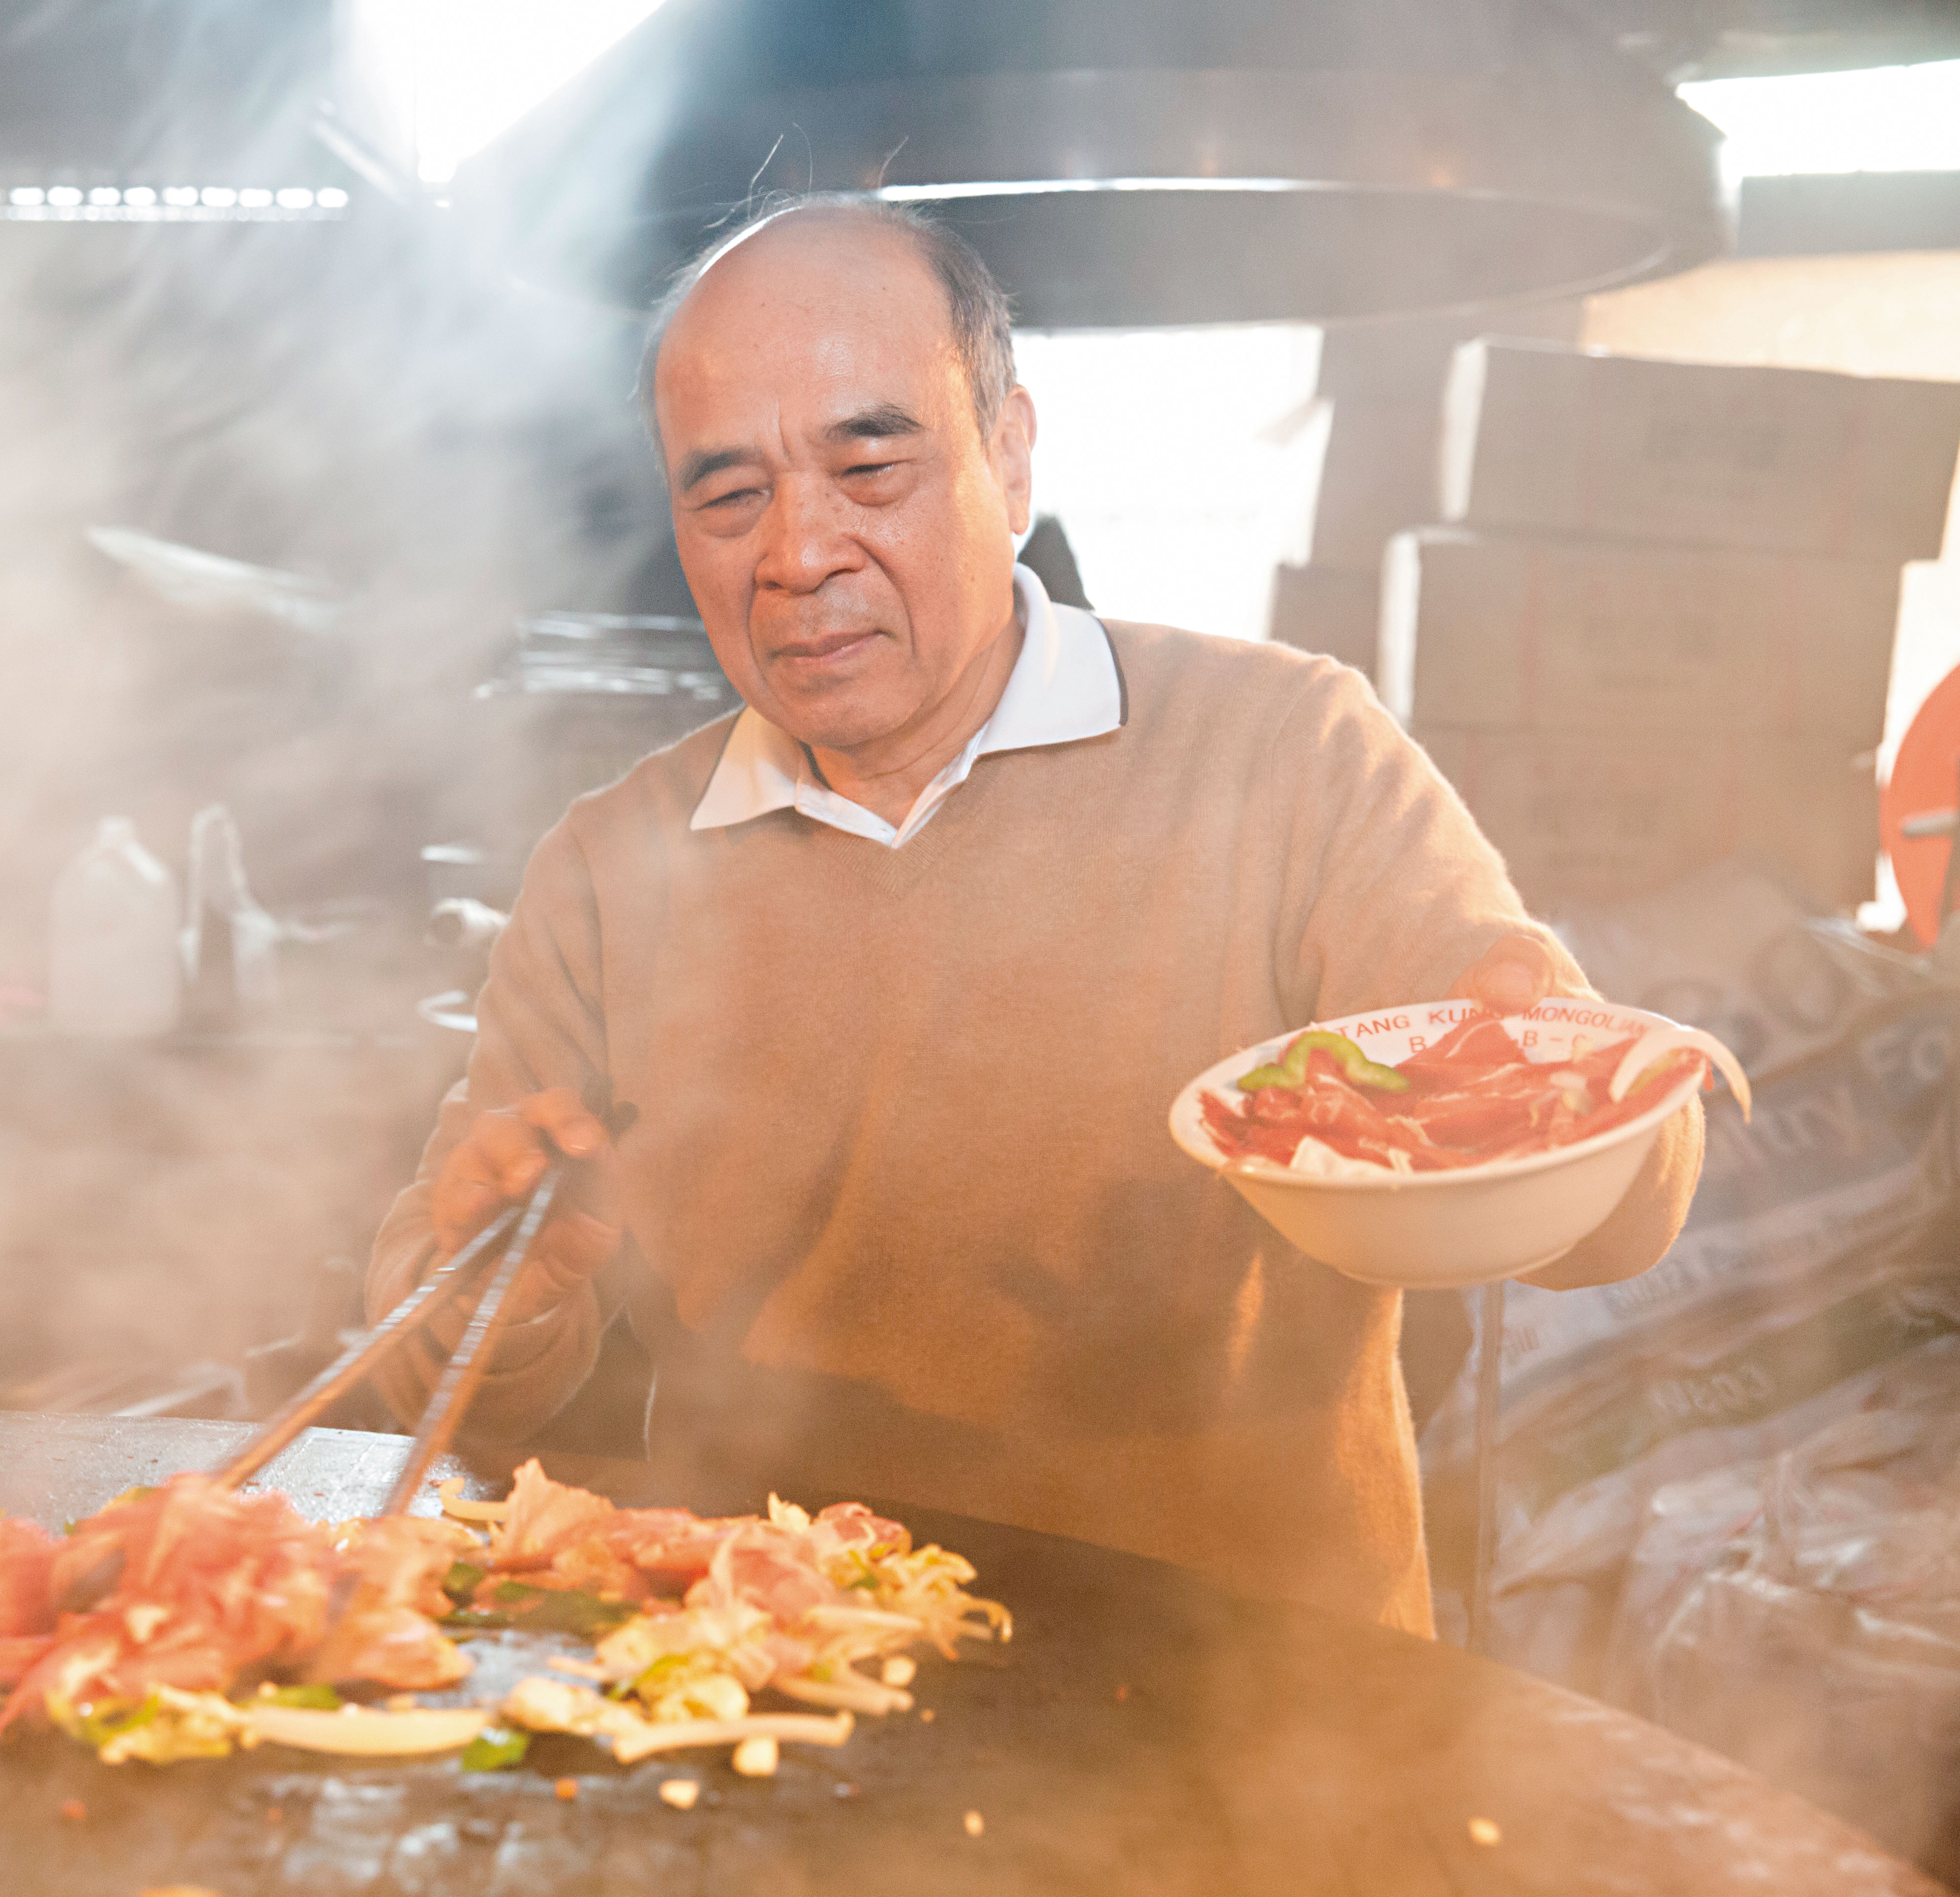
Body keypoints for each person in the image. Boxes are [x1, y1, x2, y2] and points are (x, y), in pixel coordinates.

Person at [365, 196, 1702, 1635]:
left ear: (1009, 457)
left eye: (870, 463)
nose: (798, 552)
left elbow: (1611, 1226)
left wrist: (1551, 1074)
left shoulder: (1285, 750)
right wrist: (493, 1283)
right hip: (781, 1669)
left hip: (1260, 1698)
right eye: (729, 493)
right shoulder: (608, 870)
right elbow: (447, 1364)